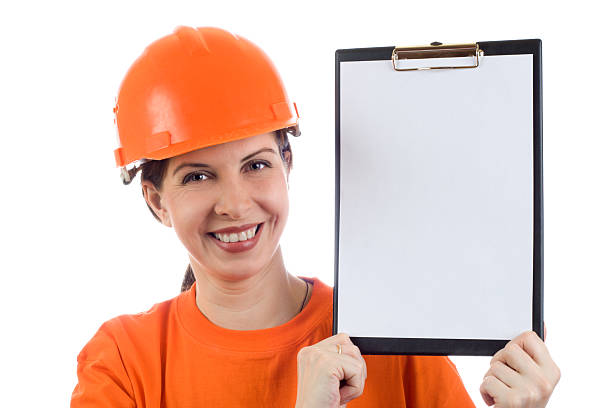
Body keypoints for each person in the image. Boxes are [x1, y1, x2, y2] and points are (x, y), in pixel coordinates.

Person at [71, 26, 560, 407]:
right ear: (156, 200)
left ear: (288, 164)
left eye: (256, 165)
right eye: (198, 177)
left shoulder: (388, 336)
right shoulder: (122, 361)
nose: (235, 204)